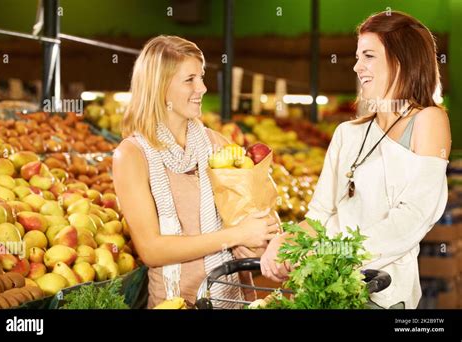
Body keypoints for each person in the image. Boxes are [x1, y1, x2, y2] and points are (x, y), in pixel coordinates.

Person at [260, 11, 451, 309]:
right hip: (324, 289)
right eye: (357, 56)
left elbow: (412, 218)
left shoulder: (428, 120)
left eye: (369, 56)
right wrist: (287, 241)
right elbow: (320, 214)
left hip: (382, 293)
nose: (357, 66)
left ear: (401, 61)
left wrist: (333, 252)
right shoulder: (347, 133)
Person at [112, 35, 278, 308]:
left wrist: (262, 236)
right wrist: (236, 235)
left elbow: (250, 221)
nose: (202, 87)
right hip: (175, 302)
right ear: (159, 86)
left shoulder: (218, 145)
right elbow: (152, 250)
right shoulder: (131, 155)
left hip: (232, 298)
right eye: (189, 79)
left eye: (201, 76)